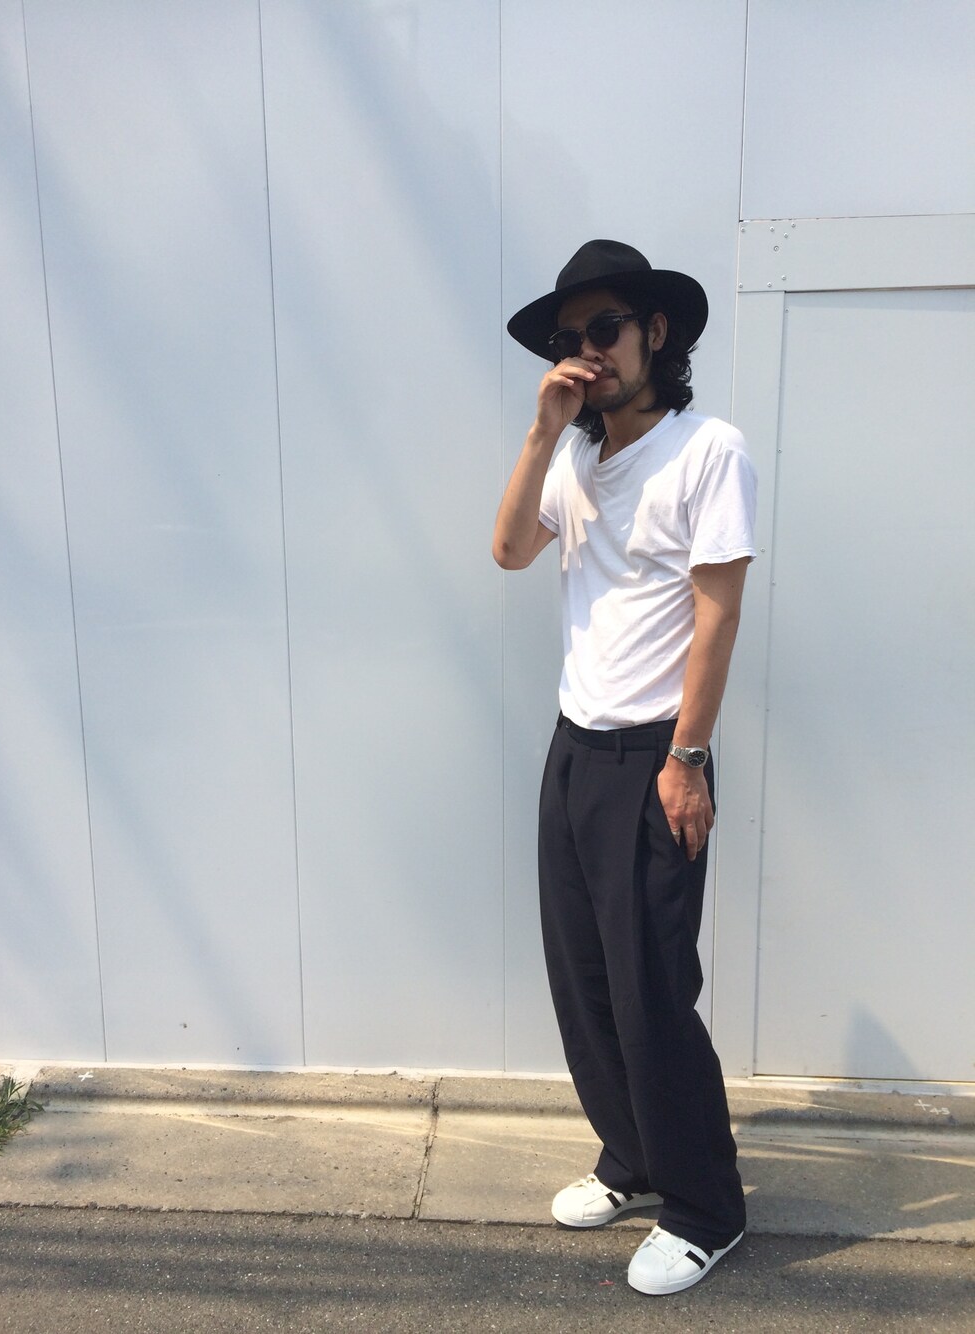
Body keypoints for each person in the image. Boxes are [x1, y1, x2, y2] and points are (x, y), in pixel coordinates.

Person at [493, 239, 757, 1296]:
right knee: (585, 980)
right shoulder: (574, 456)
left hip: (656, 755)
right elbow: (510, 549)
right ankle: (633, 1157)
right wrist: (540, 431)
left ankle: (706, 1208)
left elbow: (717, 613)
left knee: (651, 990)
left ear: (656, 331)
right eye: (570, 338)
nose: (587, 350)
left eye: (605, 328)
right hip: (575, 749)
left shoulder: (707, 450)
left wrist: (687, 757)